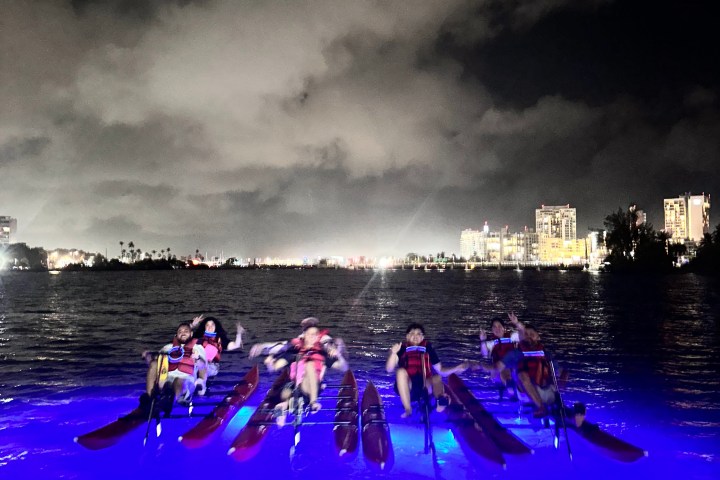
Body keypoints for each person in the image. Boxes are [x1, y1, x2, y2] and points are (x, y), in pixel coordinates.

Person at [266, 323, 348, 426]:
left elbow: (344, 367)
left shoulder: (322, 354)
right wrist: (270, 363)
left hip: (309, 388)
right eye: (309, 334)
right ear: (304, 335)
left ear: (318, 337)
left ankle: (312, 402)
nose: (312, 336)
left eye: (315, 334)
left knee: (309, 365)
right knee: (286, 393)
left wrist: (339, 355)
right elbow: (274, 367)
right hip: (292, 387)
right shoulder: (294, 351)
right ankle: (284, 406)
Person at [386, 323, 468, 418]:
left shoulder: (428, 349)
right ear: (407, 336)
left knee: (437, 377)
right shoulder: (400, 349)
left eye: (419, 334)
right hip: (408, 386)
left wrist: (456, 368)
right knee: (400, 372)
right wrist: (393, 353)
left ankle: (440, 401)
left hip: (425, 384)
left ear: (423, 337)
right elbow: (389, 369)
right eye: (412, 333)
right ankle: (408, 409)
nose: (415, 336)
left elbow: (441, 370)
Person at [141, 322, 207, 410]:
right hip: (165, 379)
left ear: (191, 334)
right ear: (176, 335)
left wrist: (197, 359)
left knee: (178, 380)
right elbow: (154, 363)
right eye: (180, 331)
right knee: (154, 363)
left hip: (186, 380)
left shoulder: (198, 348)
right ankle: (151, 399)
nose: (182, 333)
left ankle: (169, 402)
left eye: (186, 331)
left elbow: (203, 366)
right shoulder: (168, 347)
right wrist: (147, 356)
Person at [191, 315, 244, 394]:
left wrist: (239, 334)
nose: (210, 327)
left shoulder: (220, 340)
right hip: (195, 365)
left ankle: (201, 383)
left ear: (216, 327)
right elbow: (184, 338)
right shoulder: (198, 338)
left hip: (211, 367)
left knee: (203, 360)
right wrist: (192, 326)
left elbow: (236, 345)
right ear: (204, 327)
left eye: (212, 325)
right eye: (207, 325)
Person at [514, 323, 556, 418]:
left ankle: (557, 408)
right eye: (526, 335)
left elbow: (559, 371)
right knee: (522, 375)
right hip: (525, 394)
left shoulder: (546, 354)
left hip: (546, 391)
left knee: (560, 374)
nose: (529, 337)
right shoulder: (517, 352)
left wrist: (559, 387)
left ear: (538, 337)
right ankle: (540, 406)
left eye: (532, 334)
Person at [479, 312, 524, 399]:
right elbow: (484, 354)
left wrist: (516, 323)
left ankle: (514, 389)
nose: (497, 329)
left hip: (514, 365)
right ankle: (511, 389)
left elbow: (524, 334)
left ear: (504, 328)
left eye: (499, 326)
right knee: (505, 371)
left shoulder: (512, 337)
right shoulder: (491, 343)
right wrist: (482, 341)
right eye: (494, 327)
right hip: (500, 369)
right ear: (492, 330)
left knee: (514, 369)